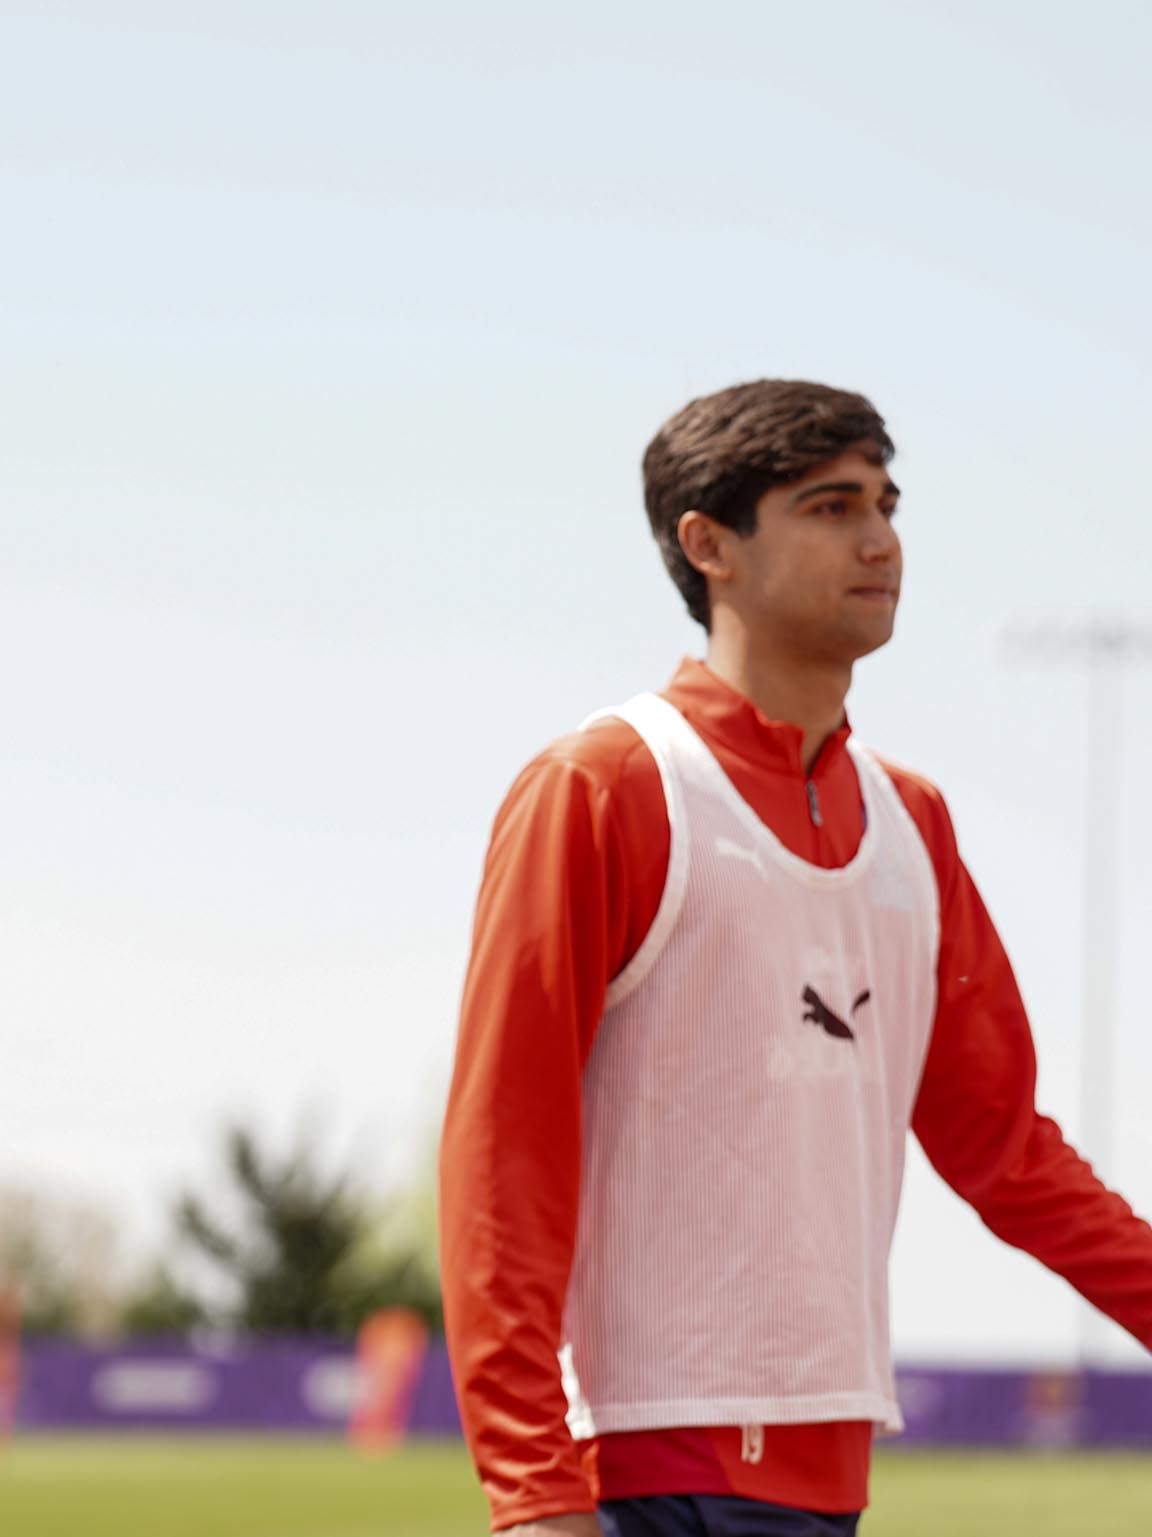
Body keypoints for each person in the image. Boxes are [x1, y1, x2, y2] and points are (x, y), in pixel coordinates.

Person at [437, 379, 1152, 1535]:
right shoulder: (602, 789)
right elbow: (501, 1151)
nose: (878, 541)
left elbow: (1007, 1154)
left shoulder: (910, 822)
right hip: (638, 1473)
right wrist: (530, 1490)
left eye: (883, 503)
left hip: (830, 1472)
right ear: (707, 544)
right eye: (829, 507)